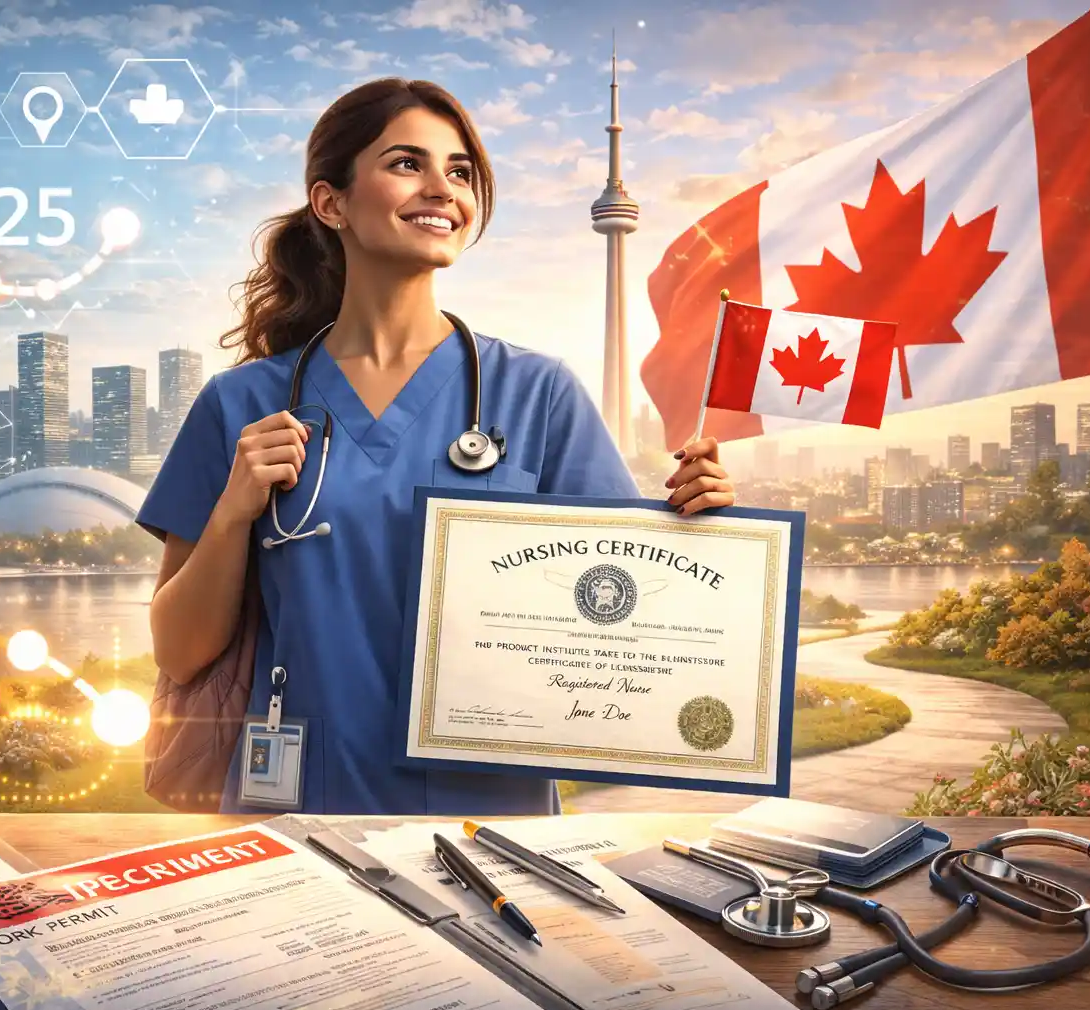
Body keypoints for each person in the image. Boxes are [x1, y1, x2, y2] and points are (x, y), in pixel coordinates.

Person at [136, 77, 736, 816]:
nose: (442, 189)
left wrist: (703, 528)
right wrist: (233, 513)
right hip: (295, 810)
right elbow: (178, 652)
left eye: (459, 171)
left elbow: (627, 613)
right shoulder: (241, 404)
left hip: (492, 820)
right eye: (405, 163)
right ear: (332, 204)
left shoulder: (538, 394)